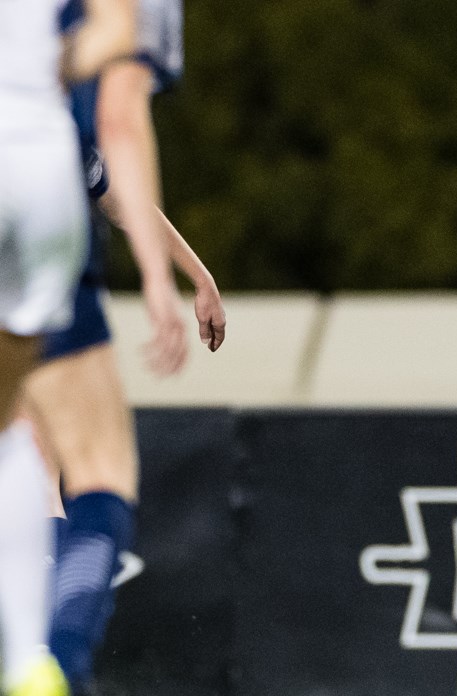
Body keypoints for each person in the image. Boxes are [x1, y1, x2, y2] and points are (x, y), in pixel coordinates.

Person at [18, 1, 221, 693]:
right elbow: (118, 125)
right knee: (96, 470)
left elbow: (102, 180)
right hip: (31, 204)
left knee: (33, 455)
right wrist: (158, 285)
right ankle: (56, 662)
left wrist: (191, 270)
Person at [0, 1, 165, 694]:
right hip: (36, 158)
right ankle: (43, 663)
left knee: (16, 433)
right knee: (82, 459)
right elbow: (116, 60)